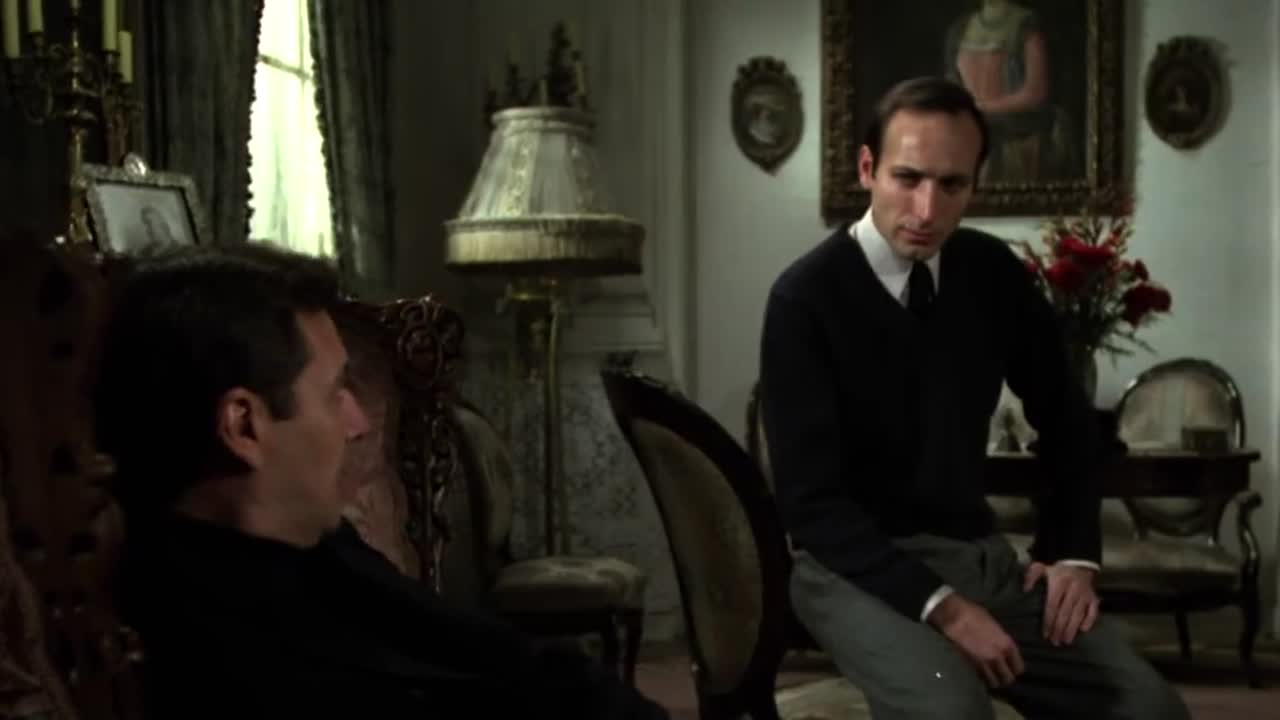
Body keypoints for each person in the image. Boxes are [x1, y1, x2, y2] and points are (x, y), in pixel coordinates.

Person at [758, 77, 1188, 719]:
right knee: (953, 713)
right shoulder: (803, 299)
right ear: (868, 169)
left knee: (1152, 710)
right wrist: (947, 610)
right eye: (907, 179)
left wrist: (1071, 553)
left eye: (952, 185)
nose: (927, 209)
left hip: (980, 561)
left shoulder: (992, 273)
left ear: (974, 186)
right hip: (852, 570)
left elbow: (1069, 422)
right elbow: (811, 505)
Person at [94, 243, 668, 719]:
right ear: (244, 426)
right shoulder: (205, 648)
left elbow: (502, 654)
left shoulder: (317, 547)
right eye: (333, 394)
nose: (358, 424)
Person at [943, 0, 1073, 183]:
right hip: (970, 139)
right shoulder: (961, 28)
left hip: (1017, 142)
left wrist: (981, 108)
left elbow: (1036, 92)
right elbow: (953, 85)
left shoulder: (1026, 26)